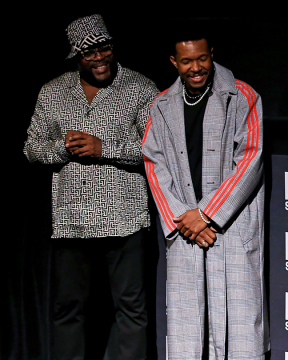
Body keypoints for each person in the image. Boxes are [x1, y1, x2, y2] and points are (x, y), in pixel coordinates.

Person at [23, 14, 158, 359]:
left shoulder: (140, 88)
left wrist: (104, 148)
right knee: (68, 310)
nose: (99, 58)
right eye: (89, 53)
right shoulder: (53, 92)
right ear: (75, 56)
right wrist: (61, 148)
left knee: (131, 310)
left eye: (105, 48)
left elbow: (157, 150)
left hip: (124, 217)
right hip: (72, 220)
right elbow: (31, 148)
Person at [141, 34, 268, 359]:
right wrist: (184, 218)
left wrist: (207, 213)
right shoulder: (160, 105)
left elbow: (251, 159)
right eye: (186, 61)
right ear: (174, 62)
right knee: (187, 330)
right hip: (185, 231)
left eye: (201, 58)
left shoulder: (242, 96)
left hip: (230, 228)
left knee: (239, 326)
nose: (196, 67)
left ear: (211, 53)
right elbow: (154, 163)